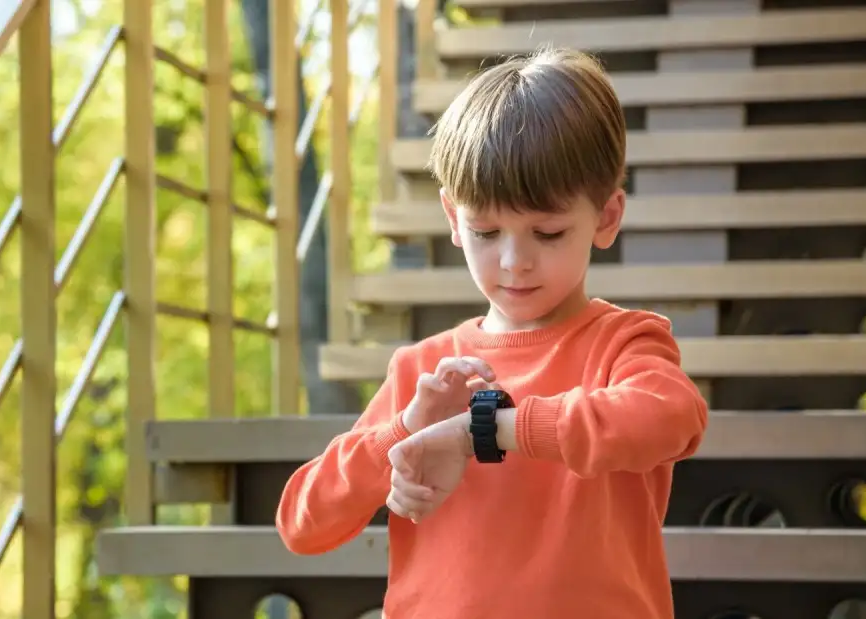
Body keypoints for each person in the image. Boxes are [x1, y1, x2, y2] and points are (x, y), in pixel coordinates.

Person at [275, 46, 709, 619]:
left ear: (605, 218)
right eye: (486, 231)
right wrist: (403, 433)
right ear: (453, 219)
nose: (514, 261)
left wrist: (486, 431)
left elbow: (672, 417)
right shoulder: (421, 371)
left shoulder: (624, 344)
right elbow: (302, 524)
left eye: (547, 233)